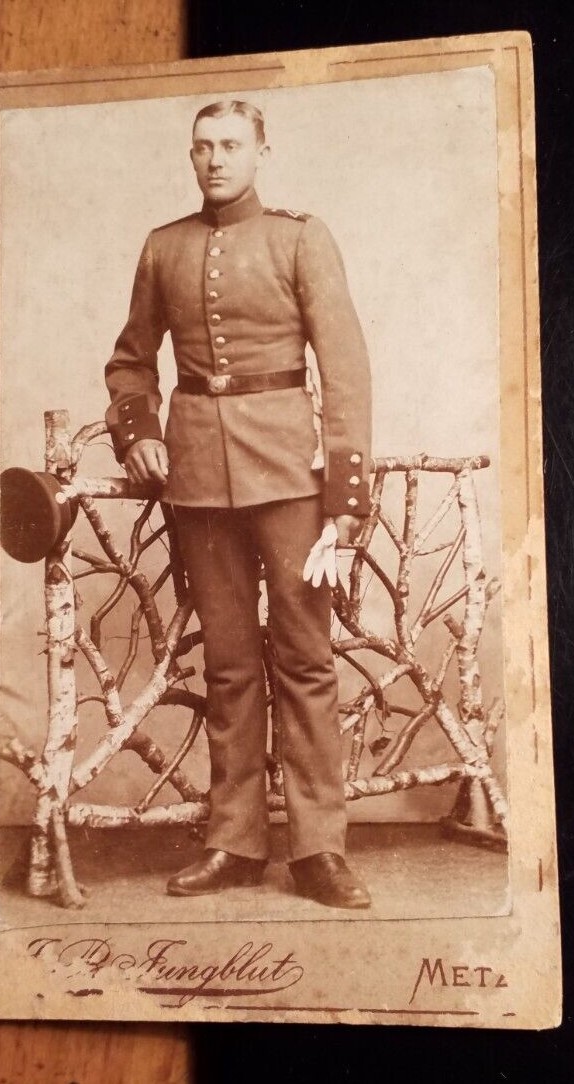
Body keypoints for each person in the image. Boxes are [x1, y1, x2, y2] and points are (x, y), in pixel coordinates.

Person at [105, 100, 373, 909]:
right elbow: (128, 363)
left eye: (230, 145)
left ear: (262, 151)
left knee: (303, 660)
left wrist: (345, 496)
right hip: (196, 480)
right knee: (227, 667)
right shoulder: (164, 248)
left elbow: (346, 365)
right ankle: (232, 841)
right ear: (190, 158)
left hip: (289, 475)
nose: (215, 159)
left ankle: (319, 849)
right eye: (202, 147)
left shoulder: (299, 238)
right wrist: (137, 434)